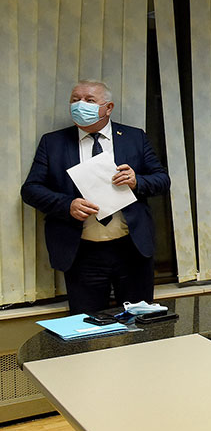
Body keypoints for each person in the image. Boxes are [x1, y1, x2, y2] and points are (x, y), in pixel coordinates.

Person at [21, 80, 170, 314]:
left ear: (108, 108)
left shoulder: (134, 137)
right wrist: (67, 205)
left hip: (131, 250)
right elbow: (31, 190)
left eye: (89, 100)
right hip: (82, 253)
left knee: (139, 324)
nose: (80, 105)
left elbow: (162, 180)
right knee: (87, 326)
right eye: (75, 100)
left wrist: (137, 181)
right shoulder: (53, 143)